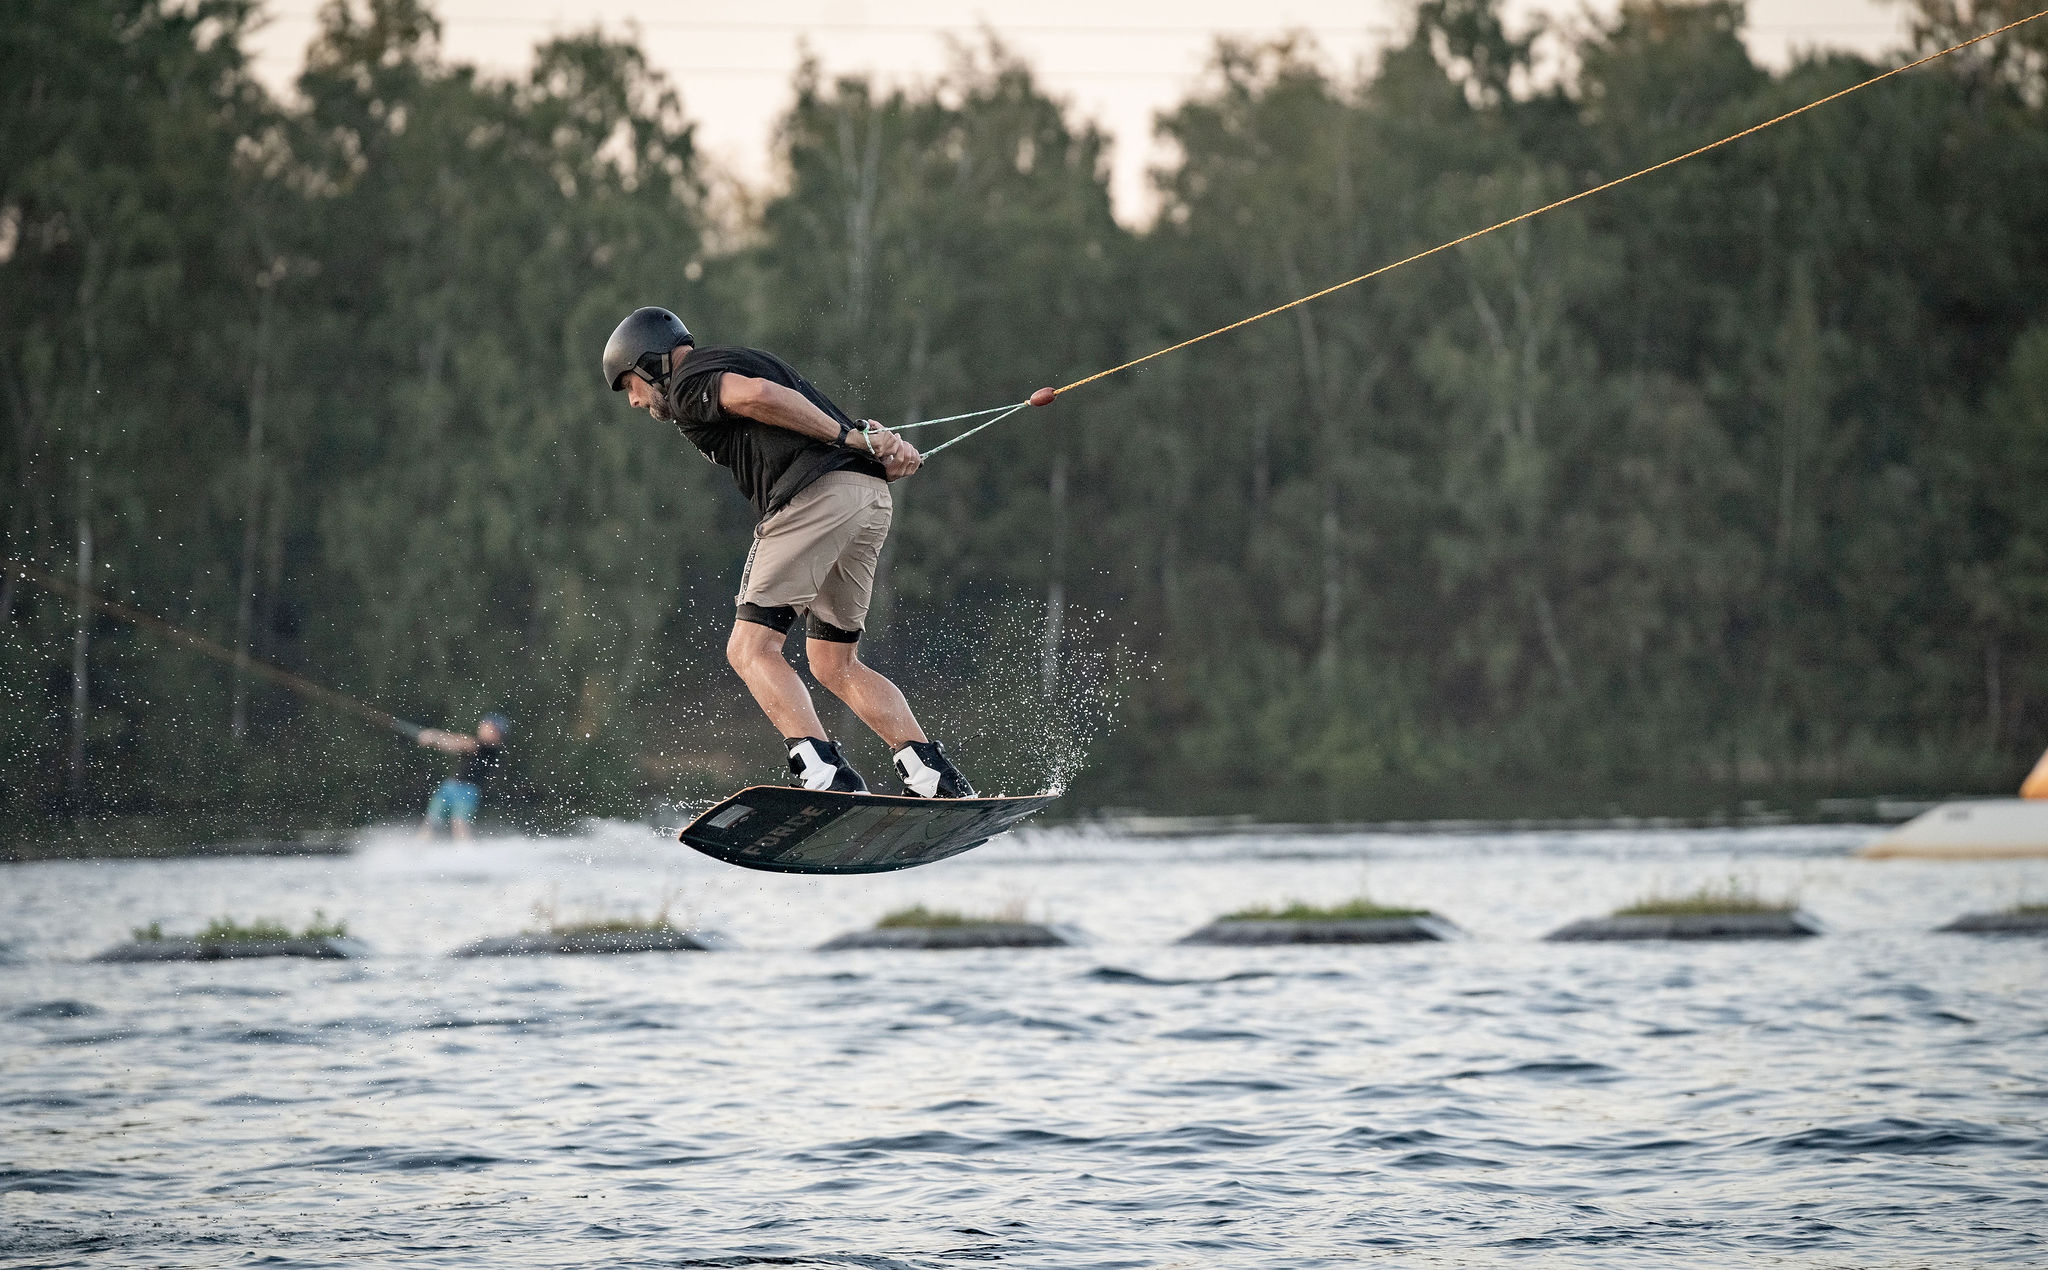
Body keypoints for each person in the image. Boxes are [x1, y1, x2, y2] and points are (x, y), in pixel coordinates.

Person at [603, 306, 974, 798]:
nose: (632, 400)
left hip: (813, 498)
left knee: (750, 648)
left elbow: (759, 397)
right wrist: (876, 443)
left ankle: (825, 775)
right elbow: (806, 412)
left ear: (651, 363)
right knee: (832, 661)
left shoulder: (688, 381)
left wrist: (848, 436)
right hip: (866, 496)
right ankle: (933, 776)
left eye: (629, 383)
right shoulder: (740, 357)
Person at [417, 713, 509, 838]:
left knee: (459, 822)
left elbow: (462, 743)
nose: (483, 728)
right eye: (483, 726)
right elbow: (452, 745)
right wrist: (435, 741)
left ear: (497, 732)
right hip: (450, 786)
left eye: (488, 727)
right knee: (432, 820)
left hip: (468, 791)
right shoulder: (479, 744)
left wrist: (434, 736)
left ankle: (464, 853)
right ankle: (420, 849)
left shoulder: (490, 748)